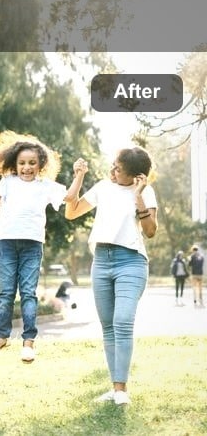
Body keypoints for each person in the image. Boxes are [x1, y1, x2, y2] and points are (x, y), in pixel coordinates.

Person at [0, 131, 87, 363]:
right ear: (14, 164)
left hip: (32, 245)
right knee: (7, 293)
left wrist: (79, 175)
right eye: (22, 163)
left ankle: (28, 342)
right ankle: (1, 337)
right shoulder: (8, 182)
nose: (26, 167)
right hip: (7, 242)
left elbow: (69, 196)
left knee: (28, 293)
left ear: (40, 165)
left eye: (32, 163)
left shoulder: (45, 186)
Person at [65, 146, 158, 406]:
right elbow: (70, 213)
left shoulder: (146, 191)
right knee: (108, 327)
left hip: (131, 261)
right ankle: (116, 388)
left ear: (137, 176)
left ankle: (121, 390)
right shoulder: (103, 187)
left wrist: (138, 196)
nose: (113, 170)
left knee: (123, 321)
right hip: (102, 261)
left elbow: (150, 231)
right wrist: (79, 176)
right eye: (114, 165)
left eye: (119, 168)